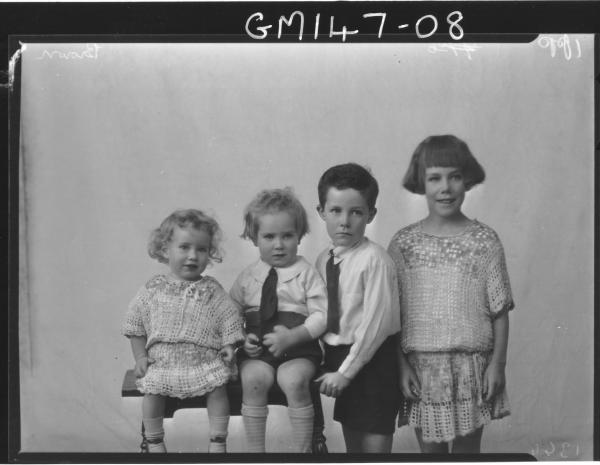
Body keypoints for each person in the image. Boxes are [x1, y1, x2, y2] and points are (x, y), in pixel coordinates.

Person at [387, 134, 514, 453]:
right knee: (431, 455)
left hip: (472, 367)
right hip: (422, 368)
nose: (445, 187)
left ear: (466, 180)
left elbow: (499, 311)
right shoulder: (403, 245)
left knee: (468, 454)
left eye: (454, 177)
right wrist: (401, 366)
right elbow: (391, 316)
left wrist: (497, 364)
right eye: (435, 178)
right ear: (421, 182)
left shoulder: (485, 241)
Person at [122, 209, 244, 453]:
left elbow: (229, 317)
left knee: (217, 386)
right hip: (163, 362)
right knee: (152, 390)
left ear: (209, 253)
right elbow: (135, 324)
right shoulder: (153, 288)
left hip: (204, 360)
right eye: (184, 247)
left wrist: (229, 346)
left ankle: (218, 440)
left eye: (200, 249)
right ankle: (155, 441)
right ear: (166, 249)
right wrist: (141, 358)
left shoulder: (211, 289)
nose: (192, 256)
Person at [230, 187, 328, 453]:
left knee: (293, 380)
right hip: (259, 353)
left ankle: (302, 451)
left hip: (298, 351)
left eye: (287, 235)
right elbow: (230, 315)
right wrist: (243, 338)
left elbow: (322, 315)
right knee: (253, 380)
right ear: (254, 238)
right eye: (269, 236)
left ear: (299, 235)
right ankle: (255, 453)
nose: (279, 244)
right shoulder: (248, 277)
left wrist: (294, 336)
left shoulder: (306, 274)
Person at [314, 163, 401, 453]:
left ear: (371, 215)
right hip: (343, 358)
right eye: (336, 211)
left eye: (356, 212)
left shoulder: (375, 260)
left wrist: (345, 374)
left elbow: (376, 327)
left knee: (374, 445)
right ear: (321, 212)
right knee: (354, 449)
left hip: (374, 361)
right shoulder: (323, 259)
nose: (345, 222)